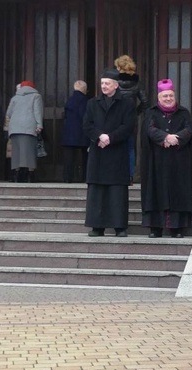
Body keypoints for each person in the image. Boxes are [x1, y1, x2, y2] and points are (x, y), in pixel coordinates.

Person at [140, 78, 192, 238]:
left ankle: (177, 228)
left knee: (178, 192)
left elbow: (189, 129)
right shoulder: (151, 112)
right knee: (156, 192)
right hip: (156, 162)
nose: (168, 99)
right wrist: (164, 137)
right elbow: (149, 129)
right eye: (165, 96)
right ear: (159, 98)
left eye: (170, 96)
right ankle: (155, 228)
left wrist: (176, 138)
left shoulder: (184, 112)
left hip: (179, 161)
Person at [83, 69, 136, 237]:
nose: (104, 86)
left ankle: (119, 227)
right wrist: (99, 136)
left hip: (117, 151)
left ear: (115, 85)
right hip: (98, 151)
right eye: (102, 84)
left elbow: (128, 126)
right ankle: (97, 226)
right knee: (97, 192)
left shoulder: (127, 103)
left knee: (117, 191)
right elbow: (86, 124)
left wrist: (110, 137)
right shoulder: (92, 103)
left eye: (107, 83)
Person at [114, 55, 148, 185]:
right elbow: (145, 102)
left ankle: (117, 173)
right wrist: (135, 112)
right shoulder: (137, 82)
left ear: (119, 67)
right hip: (131, 118)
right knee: (130, 147)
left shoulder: (115, 82)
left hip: (116, 117)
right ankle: (129, 175)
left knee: (115, 145)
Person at [5, 80, 43, 182]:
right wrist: (39, 125)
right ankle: (30, 176)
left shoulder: (15, 97)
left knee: (16, 152)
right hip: (28, 127)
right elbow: (37, 112)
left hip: (15, 128)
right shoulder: (36, 97)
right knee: (29, 152)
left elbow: (8, 113)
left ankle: (17, 175)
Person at [61, 80, 90, 183]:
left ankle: (67, 177)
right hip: (81, 131)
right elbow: (84, 115)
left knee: (69, 157)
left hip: (69, 132)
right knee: (85, 156)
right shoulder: (84, 100)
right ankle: (85, 177)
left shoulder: (69, 99)